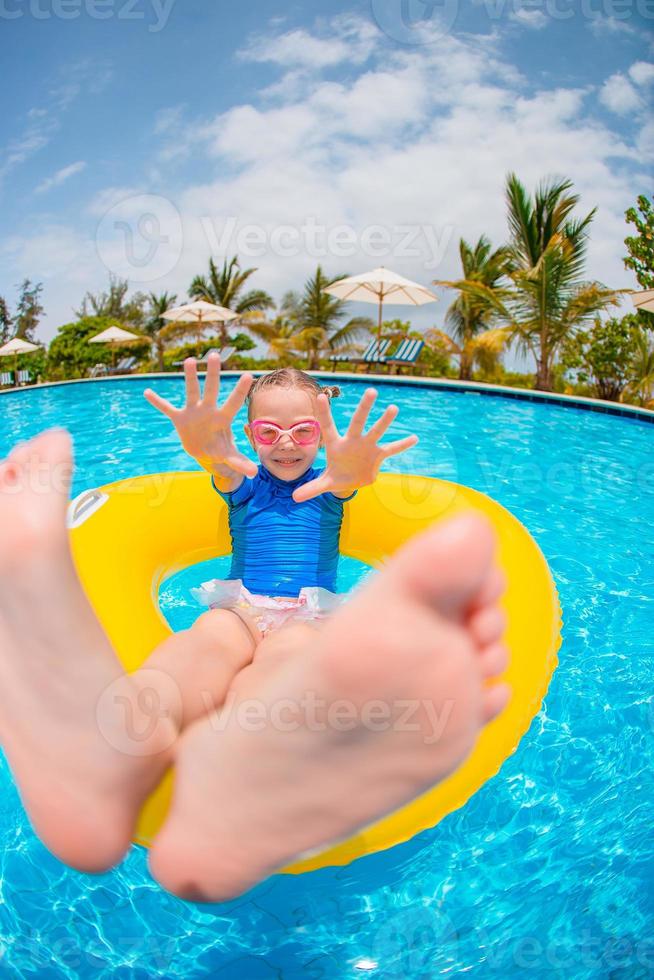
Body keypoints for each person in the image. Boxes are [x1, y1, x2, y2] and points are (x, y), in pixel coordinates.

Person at [0, 353, 510, 903]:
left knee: (285, 660)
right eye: (269, 431)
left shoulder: (332, 485)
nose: (286, 444)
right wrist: (209, 452)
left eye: (303, 430)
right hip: (241, 606)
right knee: (200, 648)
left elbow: (349, 479)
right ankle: (117, 742)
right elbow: (221, 466)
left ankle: (236, 767)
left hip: (306, 613)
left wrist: (356, 468)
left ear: (323, 432)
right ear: (249, 434)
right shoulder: (241, 481)